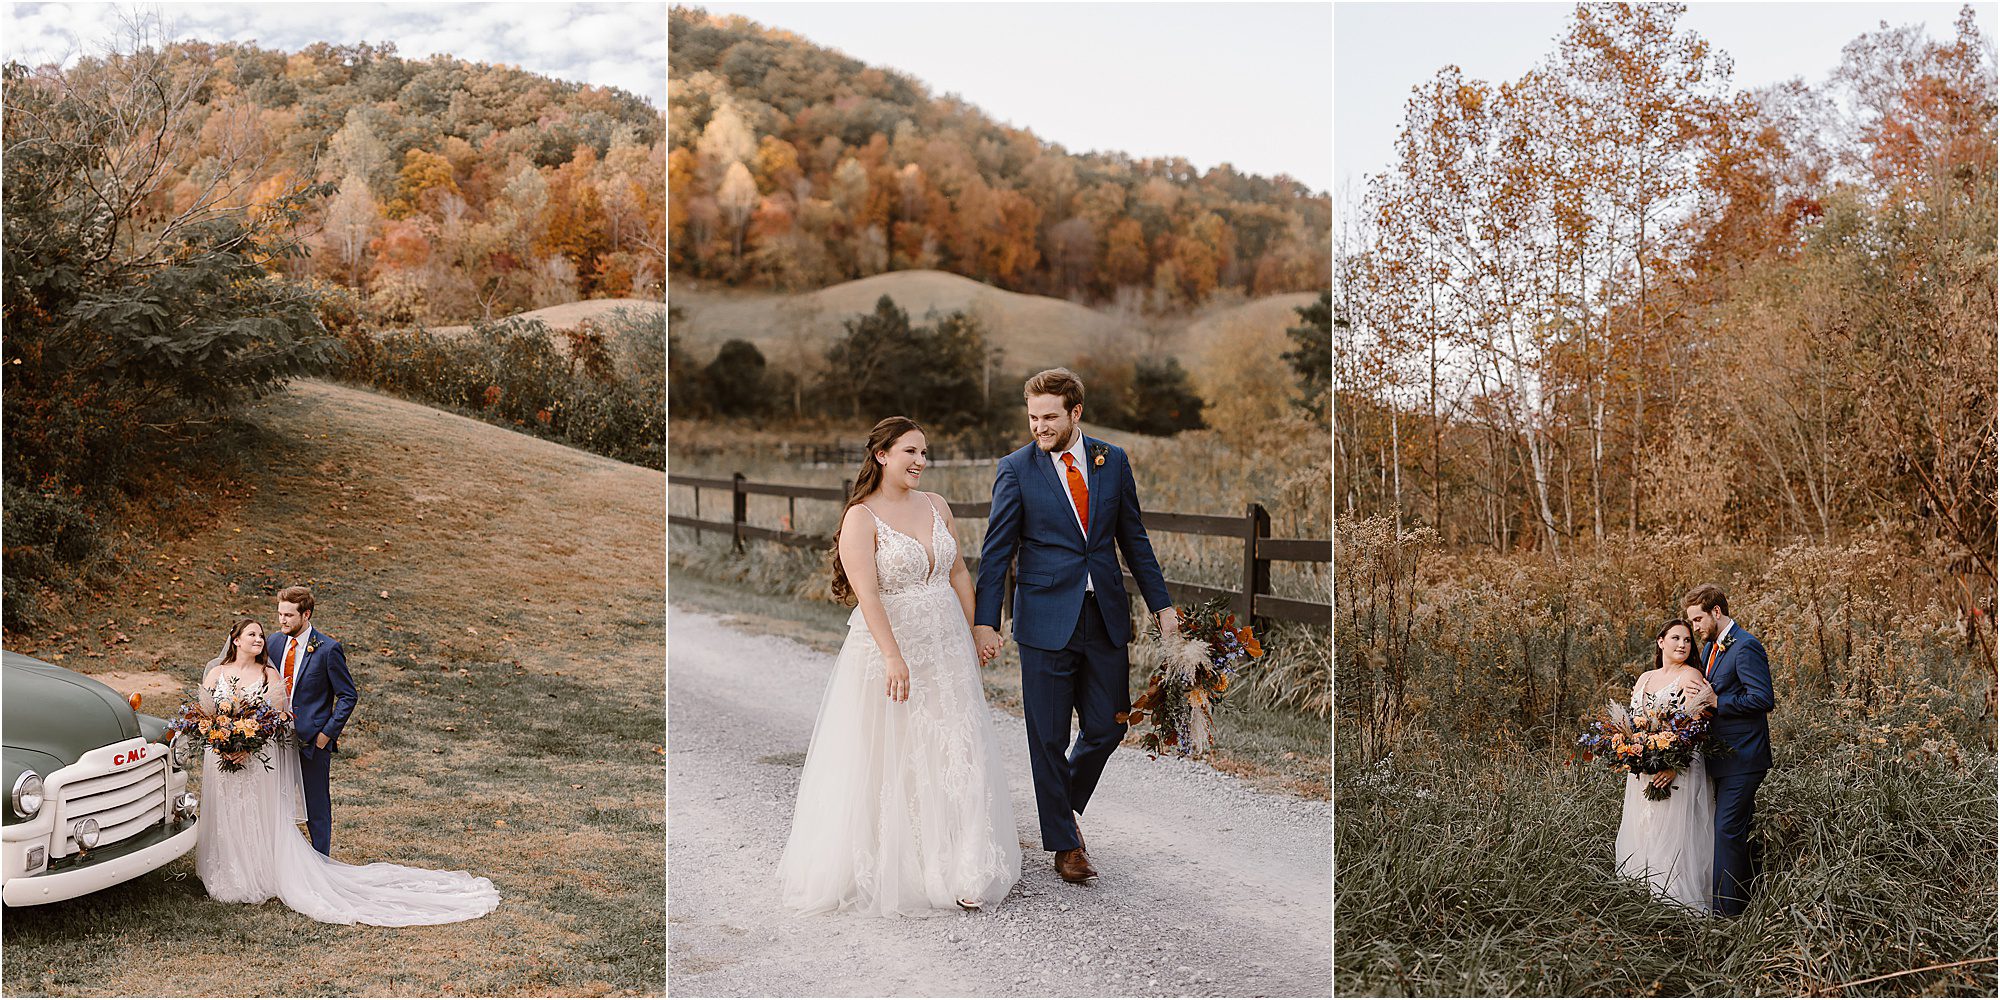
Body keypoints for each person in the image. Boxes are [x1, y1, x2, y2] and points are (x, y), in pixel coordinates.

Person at [777, 417, 1021, 915]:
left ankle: (964, 865)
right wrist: (893, 656)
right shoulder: (861, 518)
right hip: (892, 649)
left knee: (957, 745)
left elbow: (957, 571)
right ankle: (900, 861)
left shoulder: (936, 506)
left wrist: (979, 629)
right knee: (895, 753)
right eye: (910, 451)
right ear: (882, 455)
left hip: (948, 645)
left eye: (925, 453)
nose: (920, 462)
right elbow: (867, 593)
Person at [973, 368, 1177, 884]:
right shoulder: (1016, 469)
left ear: (1075, 413)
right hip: (1042, 620)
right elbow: (996, 553)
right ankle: (1066, 845)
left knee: (1109, 725)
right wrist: (984, 621)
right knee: (1046, 735)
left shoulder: (1113, 461)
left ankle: (1058, 805)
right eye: (1033, 418)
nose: (1039, 427)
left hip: (1104, 615)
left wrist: (1163, 606)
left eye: (1048, 417)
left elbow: (1135, 539)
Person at [194, 614, 499, 925]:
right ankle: (229, 873)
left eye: (260, 635)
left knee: (256, 814)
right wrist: (221, 741)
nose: (259, 640)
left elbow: (277, 719)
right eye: (252, 635)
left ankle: (259, 874)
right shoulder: (217, 672)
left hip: (257, 758)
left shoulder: (268, 676)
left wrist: (247, 745)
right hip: (221, 758)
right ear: (235, 640)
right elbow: (203, 714)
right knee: (228, 813)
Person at [1613, 618, 1717, 911]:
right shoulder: (1645, 677)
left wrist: (1673, 766)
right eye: (1676, 638)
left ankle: (1676, 906)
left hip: (1677, 769)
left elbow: (1698, 726)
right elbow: (1634, 724)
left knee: (1672, 835)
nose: (1683, 644)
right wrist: (1633, 753)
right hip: (1644, 771)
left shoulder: (1691, 676)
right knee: (1644, 830)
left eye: (1687, 640)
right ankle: (1641, 903)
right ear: (1661, 641)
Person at [1684, 583, 1774, 917]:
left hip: (1744, 757)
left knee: (1726, 829)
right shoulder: (1710, 649)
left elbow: (1763, 698)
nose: (1695, 628)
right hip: (1720, 757)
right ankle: (1750, 896)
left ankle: (1727, 915)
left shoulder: (1746, 646)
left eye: (1697, 620)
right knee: (1732, 829)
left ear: (1716, 612)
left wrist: (1719, 701)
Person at [268, 586, 354, 856]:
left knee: (315, 806)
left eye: (289, 615)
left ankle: (321, 863)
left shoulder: (328, 650)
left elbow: (348, 695)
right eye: (280, 613)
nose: (282, 620)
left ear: (306, 614)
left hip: (312, 742)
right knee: (276, 802)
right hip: (275, 738)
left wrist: (325, 735)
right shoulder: (273, 643)